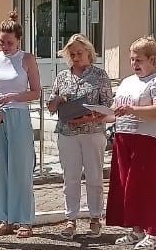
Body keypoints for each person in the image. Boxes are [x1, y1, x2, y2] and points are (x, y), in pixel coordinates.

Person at [106, 36, 156, 250]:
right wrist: (98, 115)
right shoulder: (128, 82)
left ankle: (154, 233)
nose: (134, 64)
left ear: (151, 59)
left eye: (139, 60)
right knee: (129, 186)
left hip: (152, 141)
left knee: (150, 187)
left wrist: (133, 110)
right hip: (125, 138)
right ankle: (137, 230)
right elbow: (116, 111)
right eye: (132, 60)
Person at [46, 33, 113, 238]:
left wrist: (87, 118)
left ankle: (95, 217)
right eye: (72, 54)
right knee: (70, 178)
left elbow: (108, 107)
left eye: (80, 53)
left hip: (93, 132)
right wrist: (58, 99)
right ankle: (71, 219)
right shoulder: (62, 76)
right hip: (67, 133)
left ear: (89, 53)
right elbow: (50, 107)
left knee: (94, 177)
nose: (76, 57)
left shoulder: (99, 75)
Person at [0, 12, 40, 239]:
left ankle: (24, 219)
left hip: (18, 115)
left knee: (21, 167)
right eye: (2, 42)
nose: (5, 46)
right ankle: (1, 218)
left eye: (10, 42)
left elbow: (36, 92)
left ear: (19, 40)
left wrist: (14, 96)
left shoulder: (27, 59)